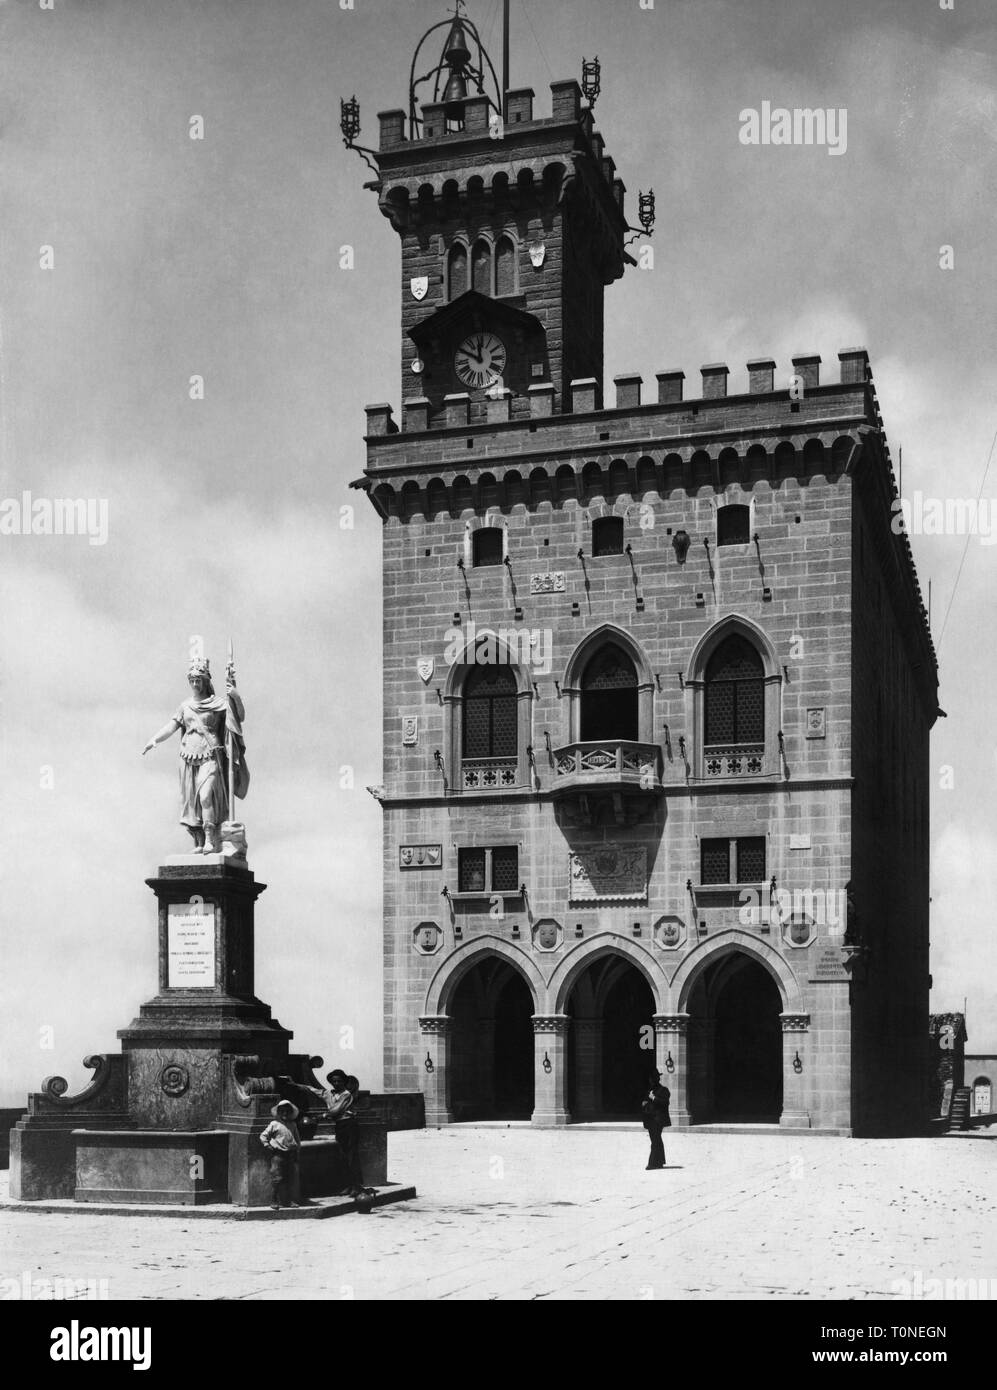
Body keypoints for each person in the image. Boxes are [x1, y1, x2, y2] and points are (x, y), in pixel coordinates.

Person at [142, 656, 248, 855]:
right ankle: (199, 842)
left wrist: (235, 695)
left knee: (206, 794)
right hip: (188, 757)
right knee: (193, 802)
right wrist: (154, 740)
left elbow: (239, 716)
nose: (195, 684)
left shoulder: (218, 703)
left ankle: (210, 839)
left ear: (206, 681)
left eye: (198, 680)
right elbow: (172, 726)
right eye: (192, 680)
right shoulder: (185, 706)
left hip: (211, 755)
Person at [259, 1100, 302, 1210]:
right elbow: (263, 1136)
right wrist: (267, 1146)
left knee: (290, 1178)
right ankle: (274, 1200)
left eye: (287, 1111)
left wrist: (297, 1151)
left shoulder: (293, 1124)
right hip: (278, 1155)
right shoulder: (274, 1124)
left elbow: (297, 1139)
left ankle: (289, 1201)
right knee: (277, 1178)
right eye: (282, 1111)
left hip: (290, 1155)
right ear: (278, 1112)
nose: (285, 1114)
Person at [641, 1071, 671, 1171]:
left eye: (652, 1079)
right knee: (656, 1140)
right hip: (650, 1119)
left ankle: (652, 1163)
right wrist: (644, 1103)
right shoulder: (649, 1090)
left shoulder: (664, 1090)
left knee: (655, 1140)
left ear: (656, 1079)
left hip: (658, 1120)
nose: (650, 1081)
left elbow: (665, 1103)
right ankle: (660, 1161)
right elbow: (645, 1101)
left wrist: (653, 1098)